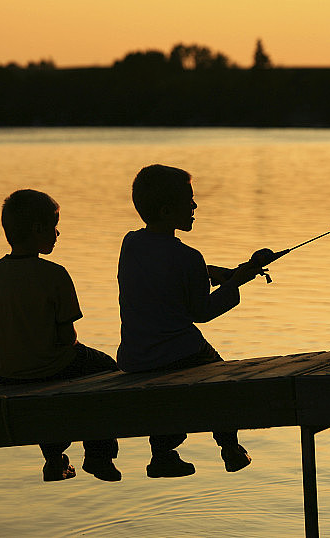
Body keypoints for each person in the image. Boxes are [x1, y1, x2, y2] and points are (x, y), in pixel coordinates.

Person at [117, 164, 260, 478]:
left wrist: (220, 274)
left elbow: (165, 272)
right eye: (189, 201)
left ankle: (163, 454)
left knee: (166, 400)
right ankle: (230, 447)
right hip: (180, 354)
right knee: (222, 384)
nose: (195, 206)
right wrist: (234, 285)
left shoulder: (131, 244)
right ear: (169, 210)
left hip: (136, 357)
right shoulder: (188, 257)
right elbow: (202, 312)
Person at [0, 189, 121, 482]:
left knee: (48, 391)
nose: (58, 233)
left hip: (7, 373)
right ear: (38, 230)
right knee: (109, 371)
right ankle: (99, 454)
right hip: (49, 366)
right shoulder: (55, 274)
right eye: (54, 226)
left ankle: (55, 460)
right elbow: (67, 338)